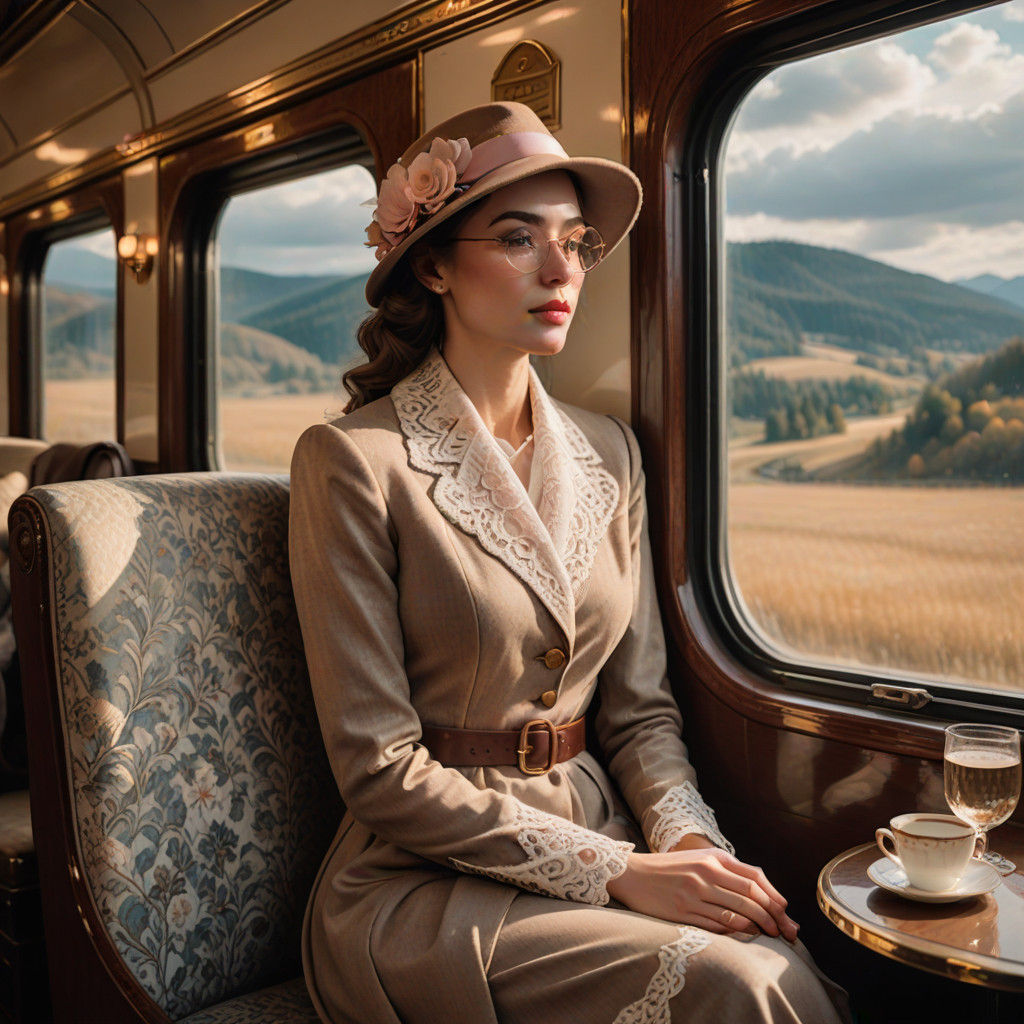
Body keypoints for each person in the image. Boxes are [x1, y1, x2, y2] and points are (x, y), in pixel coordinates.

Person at [289, 102, 850, 1024]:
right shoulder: (353, 460)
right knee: (741, 983)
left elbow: (640, 712)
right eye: (517, 239)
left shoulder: (611, 452)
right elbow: (377, 768)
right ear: (432, 265)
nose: (561, 271)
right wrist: (622, 875)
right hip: (425, 883)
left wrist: (688, 849)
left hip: (609, 826)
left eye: (576, 243)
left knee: (775, 950)